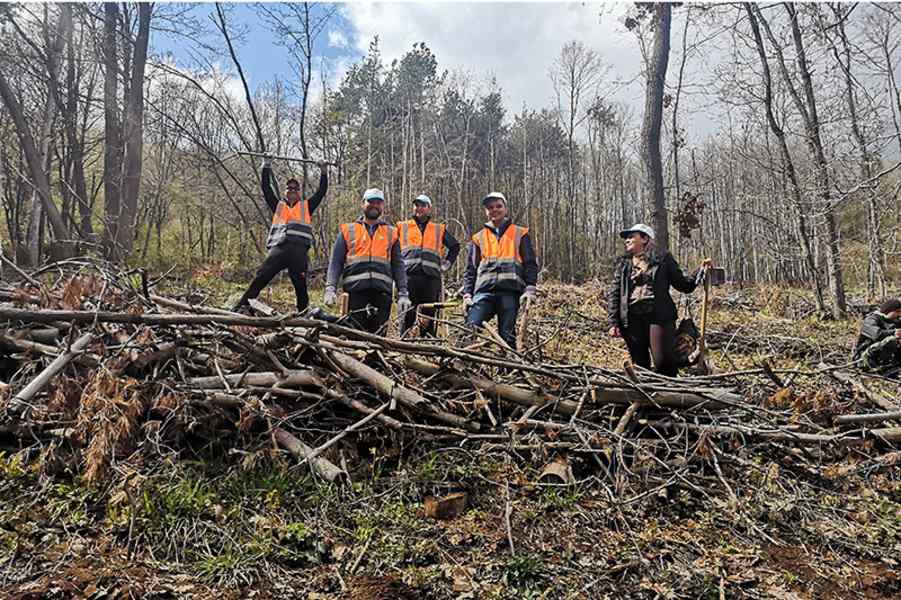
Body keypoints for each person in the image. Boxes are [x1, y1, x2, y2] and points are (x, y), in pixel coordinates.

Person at [607, 223, 710, 377]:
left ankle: (669, 397)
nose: (627, 240)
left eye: (631, 236)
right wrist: (613, 322)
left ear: (645, 238)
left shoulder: (663, 259)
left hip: (659, 316)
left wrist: (700, 271)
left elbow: (683, 285)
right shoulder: (624, 264)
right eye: (626, 238)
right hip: (632, 318)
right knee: (639, 364)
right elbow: (615, 293)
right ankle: (645, 396)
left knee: (664, 363)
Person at [232, 157, 328, 313]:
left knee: (300, 286)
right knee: (260, 278)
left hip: (299, 252)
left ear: (299, 192)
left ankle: (303, 316)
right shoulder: (279, 206)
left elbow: (321, 191)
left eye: (295, 188)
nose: (291, 190)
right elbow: (266, 188)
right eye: (289, 188)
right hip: (279, 250)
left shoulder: (306, 206)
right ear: (285, 191)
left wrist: (323, 172)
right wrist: (266, 166)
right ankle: (239, 308)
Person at [323, 188, 410, 334]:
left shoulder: (391, 233)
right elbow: (336, 262)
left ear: (382, 206)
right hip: (355, 293)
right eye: (371, 201)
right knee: (354, 336)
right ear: (363, 204)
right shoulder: (348, 230)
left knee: (378, 338)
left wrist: (403, 293)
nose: (374, 205)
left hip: (382, 294)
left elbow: (398, 265)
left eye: (378, 202)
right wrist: (330, 288)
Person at [462, 192, 538, 349]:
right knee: (470, 326)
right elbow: (471, 269)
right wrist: (468, 294)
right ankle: (456, 365)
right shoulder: (478, 238)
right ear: (486, 211)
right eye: (490, 207)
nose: (494, 210)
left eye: (498, 206)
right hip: (483, 293)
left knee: (507, 335)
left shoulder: (520, 233)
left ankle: (508, 369)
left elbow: (530, 263)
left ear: (505, 208)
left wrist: (530, 288)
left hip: (510, 292)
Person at [396, 194, 461, 336]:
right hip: (408, 278)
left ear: (429, 208)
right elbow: (390, 247)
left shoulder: (438, 229)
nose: (419, 208)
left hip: (431, 279)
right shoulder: (402, 227)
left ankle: (428, 347)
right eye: (417, 205)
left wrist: (446, 264)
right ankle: (403, 345)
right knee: (407, 314)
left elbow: (455, 246)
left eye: (423, 205)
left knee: (429, 316)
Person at [853, 298, 901, 375]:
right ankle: (879, 367)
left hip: (883, 357)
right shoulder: (871, 319)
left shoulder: (894, 320)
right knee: (892, 340)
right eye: (897, 312)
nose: (899, 315)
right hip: (865, 358)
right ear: (888, 310)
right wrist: (895, 332)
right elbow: (877, 334)